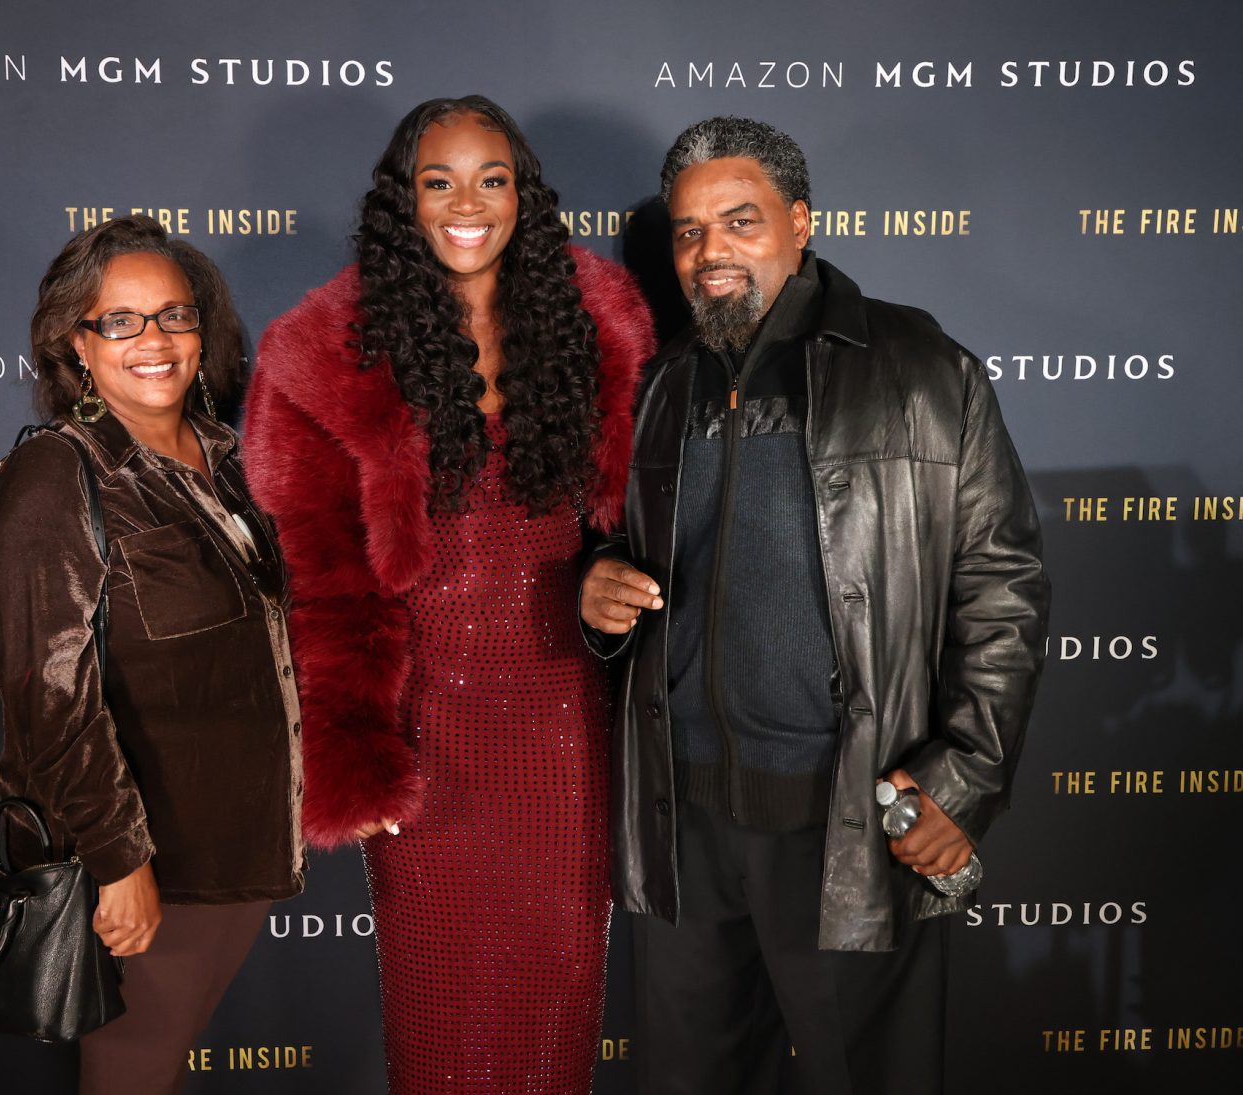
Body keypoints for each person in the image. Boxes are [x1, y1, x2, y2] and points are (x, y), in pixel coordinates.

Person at [580, 117, 1050, 1094]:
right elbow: (627, 572)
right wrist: (597, 598)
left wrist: (960, 781)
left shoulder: (923, 370)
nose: (710, 252)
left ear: (801, 221)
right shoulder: (660, 383)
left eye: (740, 221)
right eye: (688, 231)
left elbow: (1002, 590)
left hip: (850, 825)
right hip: (683, 830)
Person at [244, 96, 654, 1093]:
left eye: (492, 178)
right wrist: (353, 750)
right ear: (404, 200)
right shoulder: (325, 352)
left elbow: (633, 521)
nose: (467, 204)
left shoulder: (605, 324)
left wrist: (608, 577)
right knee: (440, 1021)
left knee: (555, 1015)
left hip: (566, 727)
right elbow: (323, 579)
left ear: (524, 192)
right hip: (425, 737)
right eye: (439, 181)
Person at [0, 215, 304, 1095]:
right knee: (131, 1073)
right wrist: (120, 861)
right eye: (119, 320)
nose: (153, 340)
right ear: (74, 344)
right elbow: (47, 697)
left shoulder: (228, 454)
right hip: (149, 855)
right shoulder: (58, 474)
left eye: (174, 314)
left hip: (235, 844)